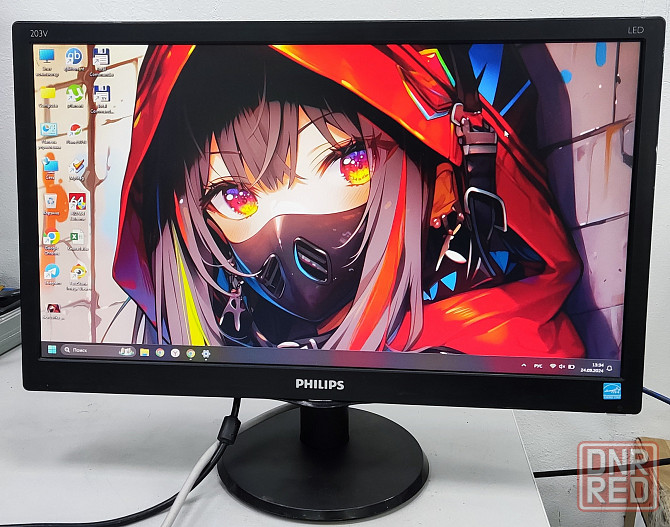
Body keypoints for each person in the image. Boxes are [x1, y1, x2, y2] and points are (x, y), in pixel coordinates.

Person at [112, 43, 585, 357]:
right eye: (234, 196)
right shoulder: (232, 346)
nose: (285, 228)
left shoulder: (493, 348)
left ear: (441, 179)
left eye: (347, 162)